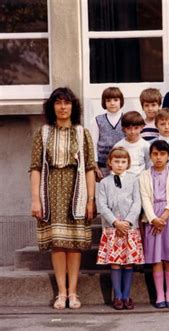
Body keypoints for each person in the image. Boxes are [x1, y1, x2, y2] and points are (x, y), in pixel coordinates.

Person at [30, 87, 96, 309]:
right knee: (58, 244)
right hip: (50, 190)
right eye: (58, 102)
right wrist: (36, 199)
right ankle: (61, 293)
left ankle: (74, 293)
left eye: (67, 102)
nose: (63, 107)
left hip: (76, 190)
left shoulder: (82, 133)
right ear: (52, 106)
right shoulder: (43, 133)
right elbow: (36, 168)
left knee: (74, 244)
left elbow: (88, 168)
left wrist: (90, 199)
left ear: (73, 106)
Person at [96, 147, 144, 310]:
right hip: (113, 228)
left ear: (128, 163)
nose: (120, 165)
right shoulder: (104, 182)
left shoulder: (133, 180)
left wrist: (129, 222)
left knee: (128, 263)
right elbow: (102, 206)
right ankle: (117, 296)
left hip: (130, 228)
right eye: (116, 161)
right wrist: (115, 222)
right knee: (116, 262)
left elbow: (137, 203)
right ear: (110, 162)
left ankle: (126, 295)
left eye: (123, 162)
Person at [140, 140, 169, 309]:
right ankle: (160, 294)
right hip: (152, 217)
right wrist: (153, 219)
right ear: (150, 155)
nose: (159, 157)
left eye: (162, 154)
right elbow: (145, 198)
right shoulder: (144, 175)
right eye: (155, 154)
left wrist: (164, 217)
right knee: (156, 257)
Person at [90, 86, 125, 180]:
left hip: (122, 163)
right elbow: (93, 143)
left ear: (121, 101)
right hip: (103, 164)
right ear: (104, 102)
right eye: (108, 100)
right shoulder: (97, 120)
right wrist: (95, 164)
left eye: (115, 100)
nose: (112, 103)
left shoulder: (126, 119)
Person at [113, 111, 150, 176]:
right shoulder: (118, 146)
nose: (132, 131)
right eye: (129, 128)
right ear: (123, 129)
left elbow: (148, 165)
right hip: (123, 180)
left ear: (142, 127)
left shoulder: (146, 145)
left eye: (136, 128)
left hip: (140, 180)